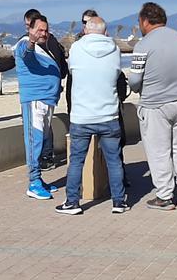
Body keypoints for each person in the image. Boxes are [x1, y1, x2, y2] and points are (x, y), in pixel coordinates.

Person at [57, 16, 129, 215]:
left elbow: (72, 70)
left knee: (77, 161)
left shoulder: (77, 49)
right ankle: (119, 202)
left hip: (82, 115)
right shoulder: (114, 49)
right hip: (108, 114)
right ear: (105, 32)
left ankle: (72, 202)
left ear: (86, 30)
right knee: (114, 160)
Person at [128, 2, 177, 210]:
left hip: (155, 104)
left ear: (145, 21)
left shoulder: (143, 45)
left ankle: (165, 196)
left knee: (159, 150)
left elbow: (134, 81)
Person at [14, 12, 63, 199]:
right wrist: (32, 42)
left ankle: (39, 179)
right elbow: (26, 55)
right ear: (30, 29)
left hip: (47, 100)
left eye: (46, 30)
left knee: (42, 140)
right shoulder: (23, 44)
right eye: (39, 30)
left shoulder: (45, 47)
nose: (43, 33)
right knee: (34, 140)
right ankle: (33, 182)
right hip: (35, 100)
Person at [40, 21, 69, 171]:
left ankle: (46, 156)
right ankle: (45, 156)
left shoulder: (50, 43)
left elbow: (60, 66)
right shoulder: (45, 42)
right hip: (49, 89)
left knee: (45, 123)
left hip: (48, 90)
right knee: (45, 122)